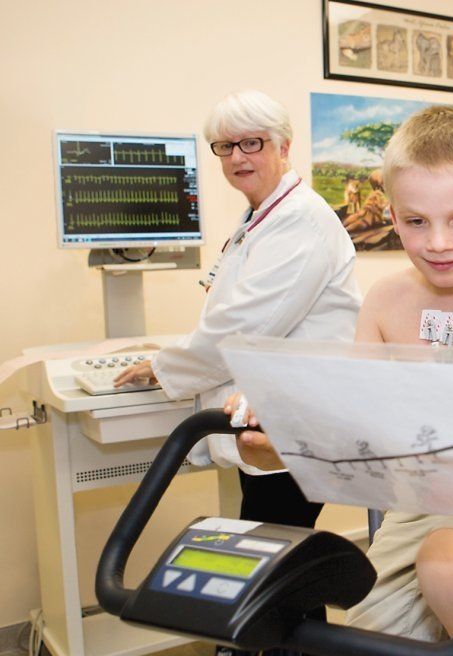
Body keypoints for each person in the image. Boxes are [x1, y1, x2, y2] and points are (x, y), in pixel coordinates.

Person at [234, 105, 453, 655]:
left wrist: (418, 403)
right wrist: (280, 426)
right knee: (363, 642)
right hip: (414, 503)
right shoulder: (385, 300)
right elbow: (352, 421)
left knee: (447, 566)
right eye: (417, 222)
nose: (439, 242)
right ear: (392, 217)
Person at [113, 89, 360, 655]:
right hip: (265, 414)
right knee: (280, 563)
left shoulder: (302, 221)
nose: (237, 157)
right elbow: (233, 316)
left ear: (283, 146)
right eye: (224, 146)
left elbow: (242, 327)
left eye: (251, 143)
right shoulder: (261, 218)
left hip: (297, 416)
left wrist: (161, 366)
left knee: (274, 566)